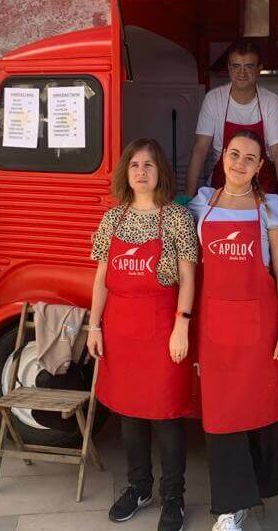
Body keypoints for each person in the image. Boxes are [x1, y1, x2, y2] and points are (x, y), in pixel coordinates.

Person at [87, 138, 199, 531]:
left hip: (163, 328)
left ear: (160, 172)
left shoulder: (176, 218)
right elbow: (101, 277)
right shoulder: (112, 219)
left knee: (167, 416)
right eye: (134, 164)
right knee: (129, 415)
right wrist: (94, 325)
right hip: (120, 329)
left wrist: (181, 324)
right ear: (126, 172)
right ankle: (139, 487)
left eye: (149, 164)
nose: (141, 171)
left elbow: (188, 276)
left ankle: (174, 496)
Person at [189, 129, 278, 531]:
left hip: (261, 327)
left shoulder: (269, 207)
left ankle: (254, 493)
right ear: (222, 157)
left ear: (260, 166)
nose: (239, 163)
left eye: (250, 158)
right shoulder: (202, 203)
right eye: (234, 155)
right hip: (216, 326)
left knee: (257, 408)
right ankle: (228, 509)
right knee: (220, 416)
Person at [185, 38, 278, 209]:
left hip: (263, 193)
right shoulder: (214, 99)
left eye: (249, 66)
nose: (242, 72)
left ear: (259, 69)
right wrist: (188, 196)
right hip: (220, 191)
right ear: (229, 68)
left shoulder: (271, 102)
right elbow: (200, 150)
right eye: (236, 66)